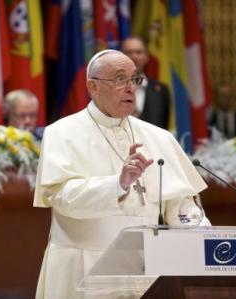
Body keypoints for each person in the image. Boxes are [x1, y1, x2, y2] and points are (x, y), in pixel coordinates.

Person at [34, 49, 210, 299]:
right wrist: (118, 184)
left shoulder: (159, 137)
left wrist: (203, 235)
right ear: (93, 87)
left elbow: (180, 204)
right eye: (120, 79)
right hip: (83, 268)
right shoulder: (61, 133)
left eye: (134, 79)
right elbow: (62, 198)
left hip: (146, 270)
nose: (131, 88)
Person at [121, 37, 170, 129]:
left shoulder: (161, 90)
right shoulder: (110, 87)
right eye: (129, 52)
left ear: (147, 57)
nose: (134, 56)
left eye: (139, 52)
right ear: (120, 56)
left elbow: (164, 126)